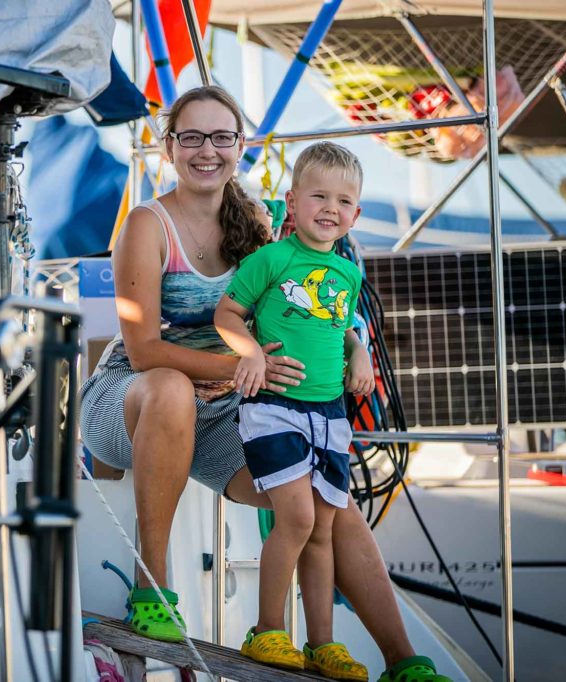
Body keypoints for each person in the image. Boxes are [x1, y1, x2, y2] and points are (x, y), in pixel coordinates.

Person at [79, 85, 451, 682]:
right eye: (192, 137)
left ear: (239, 146)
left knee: (326, 502)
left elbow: (311, 309)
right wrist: (241, 369)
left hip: (225, 405)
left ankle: (404, 661)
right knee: (171, 387)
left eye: (221, 137)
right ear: (169, 147)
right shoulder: (147, 225)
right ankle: (152, 594)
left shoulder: (256, 222)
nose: (207, 150)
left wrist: (356, 347)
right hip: (135, 398)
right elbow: (145, 350)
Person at [214, 141, 372, 680]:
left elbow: (341, 326)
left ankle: (322, 644)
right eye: (319, 196)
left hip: (330, 413)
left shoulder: (348, 273)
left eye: (343, 201)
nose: (330, 209)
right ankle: (267, 630)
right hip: (274, 409)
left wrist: (359, 352)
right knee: (298, 517)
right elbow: (227, 314)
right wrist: (251, 353)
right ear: (294, 200)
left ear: (356, 214)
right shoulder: (271, 259)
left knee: (324, 527)